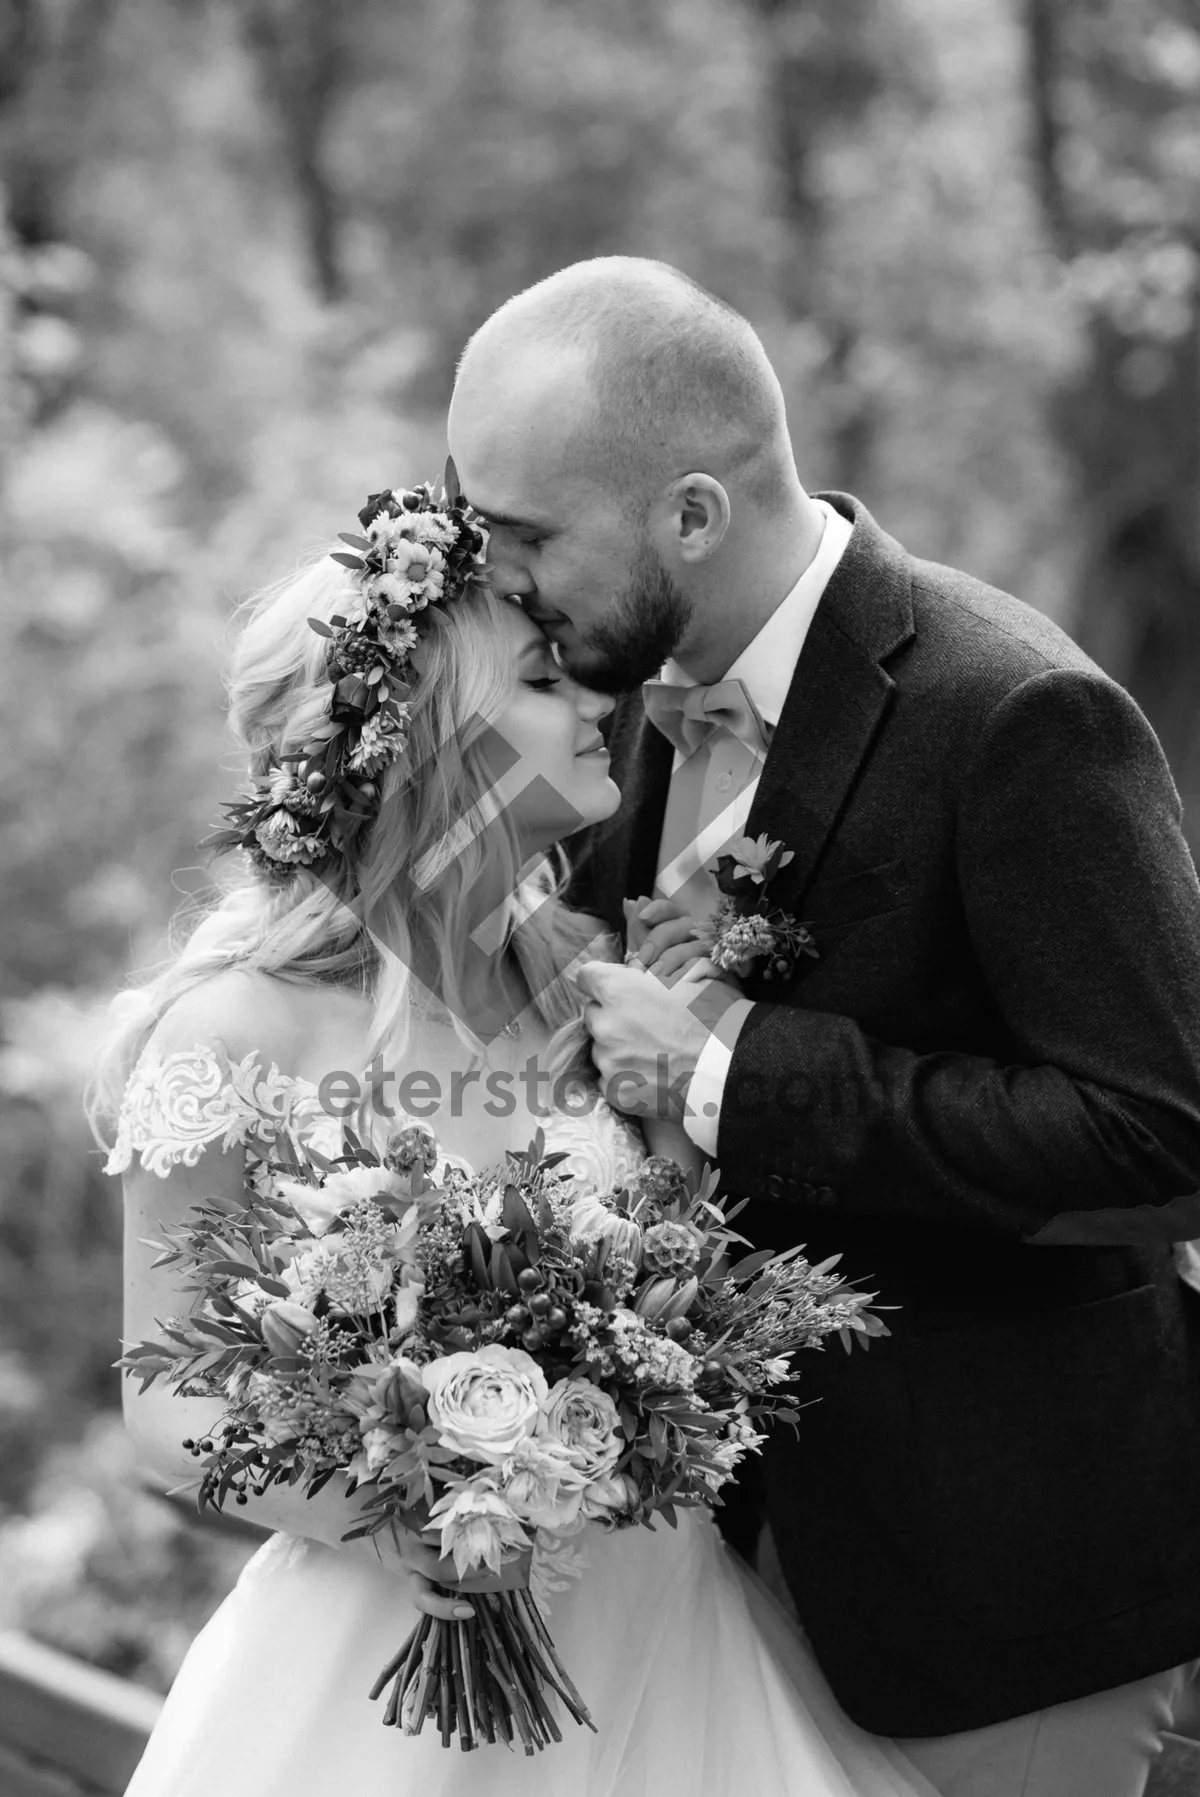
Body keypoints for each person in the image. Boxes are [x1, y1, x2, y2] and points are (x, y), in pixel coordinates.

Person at [447, 256, 1200, 1797]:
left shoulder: (1016, 714)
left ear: (693, 518)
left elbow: (1165, 1137)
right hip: (713, 1583)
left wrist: (730, 1073)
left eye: (529, 537)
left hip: (997, 1593)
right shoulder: (627, 724)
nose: (505, 582)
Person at [91, 489, 936, 1797]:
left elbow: (699, 1284)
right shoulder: (239, 1028)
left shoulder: (607, 990)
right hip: (385, 1672)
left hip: (667, 1643)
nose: (603, 696)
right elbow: (167, 1402)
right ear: (434, 743)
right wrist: (429, 1519)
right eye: (545, 675)